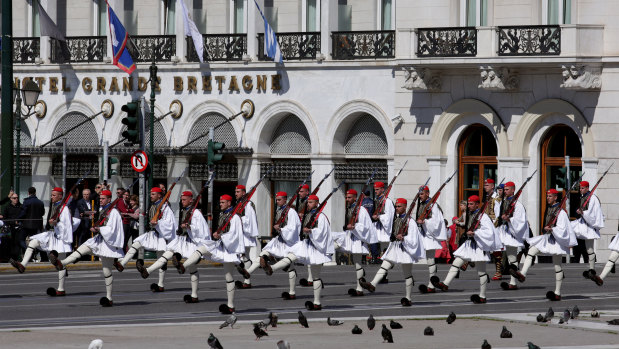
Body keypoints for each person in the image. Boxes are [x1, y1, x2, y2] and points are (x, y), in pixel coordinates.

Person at [49, 190, 124, 306]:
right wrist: (97, 229)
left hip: (108, 244)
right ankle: (62, 263)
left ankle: (109, 298)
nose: (101, 200)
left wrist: (99, 229)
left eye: (103, 198)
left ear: (109, 199)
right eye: (100, 198)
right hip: (99, 239)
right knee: (83, 248)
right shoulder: (103, 210)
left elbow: (113, 229)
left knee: (106, 271)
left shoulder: (114, 212)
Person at [262, 194, 334, 311]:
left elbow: (323, 232)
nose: (308, 204)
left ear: (317, 203)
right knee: (292, 254)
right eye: (308, 202)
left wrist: (311, 231)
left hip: (317, 248)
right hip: (306, 243)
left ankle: (317, 302)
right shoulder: (308, 215)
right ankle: (272, 268)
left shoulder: (321, 216)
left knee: (316, 277)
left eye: (311, 202)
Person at [136, 191, 210, 303]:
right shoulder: (183, 210)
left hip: (192, 242)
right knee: (167, 253)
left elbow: (201, 230)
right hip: (181, 240)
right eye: (182, 199)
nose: (182, 201)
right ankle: (148, 270)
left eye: (185, 199)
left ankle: (194, 295)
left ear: (191, 200)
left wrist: (189, 226)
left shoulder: (196, 213)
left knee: (193, 269)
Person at [179, 194, 244, 314]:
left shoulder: (234, 217)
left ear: (229, 203)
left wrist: (221, 236)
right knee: (202, 248)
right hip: (220, 244)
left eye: (223, 202)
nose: (220, 204)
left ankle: (230, 306)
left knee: (229, 278)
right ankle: (184, 265)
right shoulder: (223, 215)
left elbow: (236, 235)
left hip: (229, 249)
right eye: (220, 202)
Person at [431, 195, 500, 304]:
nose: (469, 206)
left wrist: (476, 233)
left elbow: (489, 232)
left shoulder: (483, 216)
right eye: (468, 204)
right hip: (468, 245)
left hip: (478, 246)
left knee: (481, 272)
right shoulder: (469, 214)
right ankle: (445, 284)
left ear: (477, 204)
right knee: (456, 263)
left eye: (471, 204)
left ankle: (482, 296)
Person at [360, 198, 425, 306]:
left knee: (408, 275)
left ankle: (408, 298)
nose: (396, 208)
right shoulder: (396, 219)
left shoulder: (411, 221)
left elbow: (413, 239)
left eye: (399, 206)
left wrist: (403, 238)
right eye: (396, 206)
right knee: (384, 265)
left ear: (405, 207)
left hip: (405, 250)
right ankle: (372, 284)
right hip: (395, 247)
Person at [10, 187, 74, 297]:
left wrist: (56, 224)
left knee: (60, 264)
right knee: (33, 242)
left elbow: (67, 226)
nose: (51, 197)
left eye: (54, 195)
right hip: (51, 234)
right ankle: (23, 265)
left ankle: (61, 288)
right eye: (51, 195)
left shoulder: (64, 209)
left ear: (60, 196)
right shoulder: (55, 206)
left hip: (61, 239)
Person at [519, 189, 577, 301]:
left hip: (557, 240)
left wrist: (552, 229)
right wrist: (546, 229)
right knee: (532, 250)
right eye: (547, 196)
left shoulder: (561, 212)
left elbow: (563, 229)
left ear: (556, 197)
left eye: (550, 196)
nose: (548, 198)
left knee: (557, 266)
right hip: (547, 237)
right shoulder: (549, 209)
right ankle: (523, 274)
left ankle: (557, 292)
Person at [116, 187, 176, 292]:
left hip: (161, 235)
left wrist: (158, 223)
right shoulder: (153, 205)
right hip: (152, 233)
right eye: (151, 194)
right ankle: (122, 264)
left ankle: (160, 284)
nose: (151, 196)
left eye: (153, 194)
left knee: (161, 260)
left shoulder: (165, 207)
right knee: (136, 243)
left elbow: (170, 223)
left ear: (159, 195)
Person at [245, 191, 301, 298]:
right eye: (277, 200)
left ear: (285, 200)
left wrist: (281, 229)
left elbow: (293, 228)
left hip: (290, 242)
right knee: (264, 253)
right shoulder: (279, 210)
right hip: (279, 239)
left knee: (291, 268)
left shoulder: (291, 212)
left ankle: (292, 292)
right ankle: (248, 272)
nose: (277, 201)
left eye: (279, 199)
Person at [332, 189, 375, 297]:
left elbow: (365, 226)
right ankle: (360, 284)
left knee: (357, 263)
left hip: (357, 238)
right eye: (346, 197)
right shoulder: (350, 208)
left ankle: (359, 289)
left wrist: (355, 227)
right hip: (349, 236)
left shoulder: (361, 210)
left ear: (355, 198)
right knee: (334, 247)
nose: (347, 199)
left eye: (349, 197)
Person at [496, 181, 530, 291]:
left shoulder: (518, 205)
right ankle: (513, 282)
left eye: (507, 189)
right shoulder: (504, 202)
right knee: (511, 258)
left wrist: (509, 219)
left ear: (512, 190)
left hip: (512, 233)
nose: (504, 191)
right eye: (504, 189)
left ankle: (513, 282)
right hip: (504, 231)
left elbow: (521, 221)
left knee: (512, 258)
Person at [415, 186, 447, 294]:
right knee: (429, 260)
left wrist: (425, 222)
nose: (420, 196)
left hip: (429, 234)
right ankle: (432, 283)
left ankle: (431, 284)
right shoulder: (422, 204)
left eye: (422, 194)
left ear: (427, 194)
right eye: (419, 194)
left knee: (430, 259)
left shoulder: (433, 205)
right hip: (423, 234)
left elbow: (437, 221)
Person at [573, 181, 605, 281]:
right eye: (580, 188)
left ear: (587, 188)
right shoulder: (582, 197)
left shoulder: (593, 198)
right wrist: (579, 212)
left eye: (582, 188)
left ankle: (592, 269)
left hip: (589, 225)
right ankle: (591, 269)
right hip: (583, 223)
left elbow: (593, 213)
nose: (580, 190)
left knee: (589, 249)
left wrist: (583, 213)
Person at [234, 184, 259, 288]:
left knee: (243, 256)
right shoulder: (239, 203)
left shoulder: (248, 204)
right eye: (235, 192)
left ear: (244, 192)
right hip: (240, 234)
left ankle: (247, 280)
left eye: (238, 192)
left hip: (246, 234)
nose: (236, 194)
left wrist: (240, 220)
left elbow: (250, 219)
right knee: (243, 256)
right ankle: (247, 280)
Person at [371, 181, 395, 282]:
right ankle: (384, 275)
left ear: (382, 189)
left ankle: (384, 274)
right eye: (375, 189)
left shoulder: (387, 201)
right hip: (380, 230)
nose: (375, 191)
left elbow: (389, 216)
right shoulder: (378, 200)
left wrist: (379, 217)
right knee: (383, 254)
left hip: (386, 231)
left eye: (377, 189)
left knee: (386, 254)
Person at [295, 184, 315, 287]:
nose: (299, 193)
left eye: (302, 191)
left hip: (309, 230)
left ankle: (312, 278)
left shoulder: (310, 201)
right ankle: (310, 278)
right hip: (302, 228)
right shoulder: (301, 201)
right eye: (299, 191)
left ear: (307, 192)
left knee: (309, 256)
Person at [18, 187, 45, 259]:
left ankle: (28, 250)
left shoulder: (26, 201)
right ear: (35, 192)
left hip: (26, 225)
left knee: (21, 239)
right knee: (37, 241)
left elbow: (23, 212)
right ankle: (42, 256)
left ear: (28, 193)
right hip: (36, 225)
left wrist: (18, 219)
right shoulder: (40, 202)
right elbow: (42, 213)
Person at [1, 193, 22, 261]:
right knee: (9, 243)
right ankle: (9, 257)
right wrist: (11, 223)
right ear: (11, 199)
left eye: (17, 198)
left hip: (19, 228)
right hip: (10, 228)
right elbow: (5, 218)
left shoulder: (21, 206)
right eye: (14, 198)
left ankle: (17, 257)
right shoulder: (7, 207)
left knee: (18, 243)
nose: (16, 199)